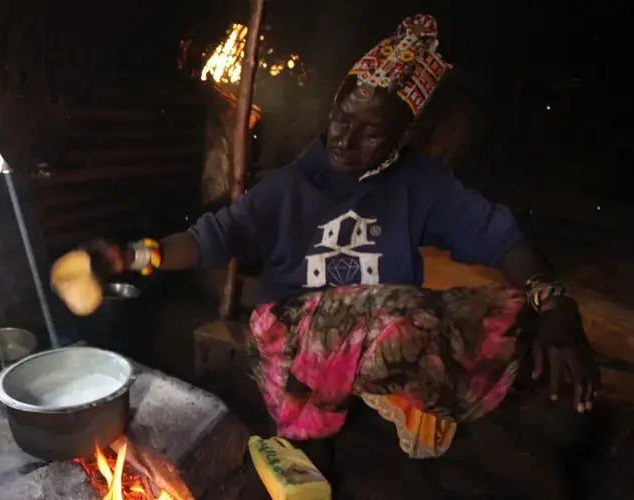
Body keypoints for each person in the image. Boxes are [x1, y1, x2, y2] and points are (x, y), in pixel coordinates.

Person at [87, 14, 600, 460]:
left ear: (402, 138)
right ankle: (379, 394)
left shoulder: (420, 184)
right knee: (405, 318)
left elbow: (501, 238)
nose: (345, 140)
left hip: (385, 335)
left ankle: (400, 388)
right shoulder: (290, 186)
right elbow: (212, 238)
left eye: (371, 131)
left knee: (506, 312)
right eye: (341, 119)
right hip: (295, 345)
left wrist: (553, 303)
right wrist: (134, 255)